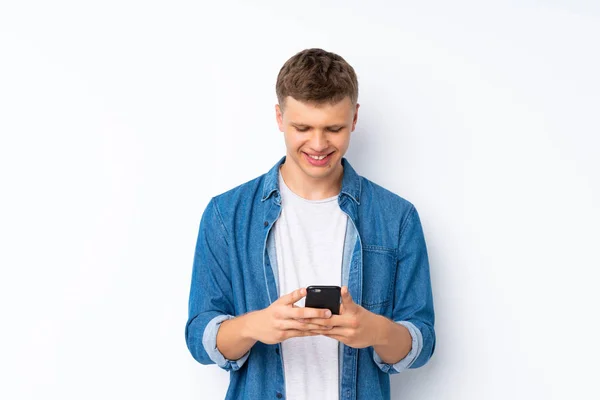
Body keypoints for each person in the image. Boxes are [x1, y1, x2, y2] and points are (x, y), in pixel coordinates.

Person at [185, 48, 436, 400]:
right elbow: (199, 338)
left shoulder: (397, 217)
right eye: (302, 127)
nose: (318, 145)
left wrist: (375, 330)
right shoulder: (226, 215)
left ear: (354, 118)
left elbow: (422, 342)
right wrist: (256, 326)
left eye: (333, 128)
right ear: (279, 117)